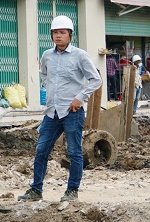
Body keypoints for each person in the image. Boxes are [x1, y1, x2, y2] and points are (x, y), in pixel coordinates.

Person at [19, 15, 101, 202]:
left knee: (73, 151)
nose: (58, 36)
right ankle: (36, 190)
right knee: (41, 150)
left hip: (72, 112)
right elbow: (44, 75)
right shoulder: (47, 55)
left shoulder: (80, 55)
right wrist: (49, 93)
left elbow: (96, 79)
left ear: (70, 35)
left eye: (62, 32)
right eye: (55, 32)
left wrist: (80, 97)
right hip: (52, 112)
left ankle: (72, 191)